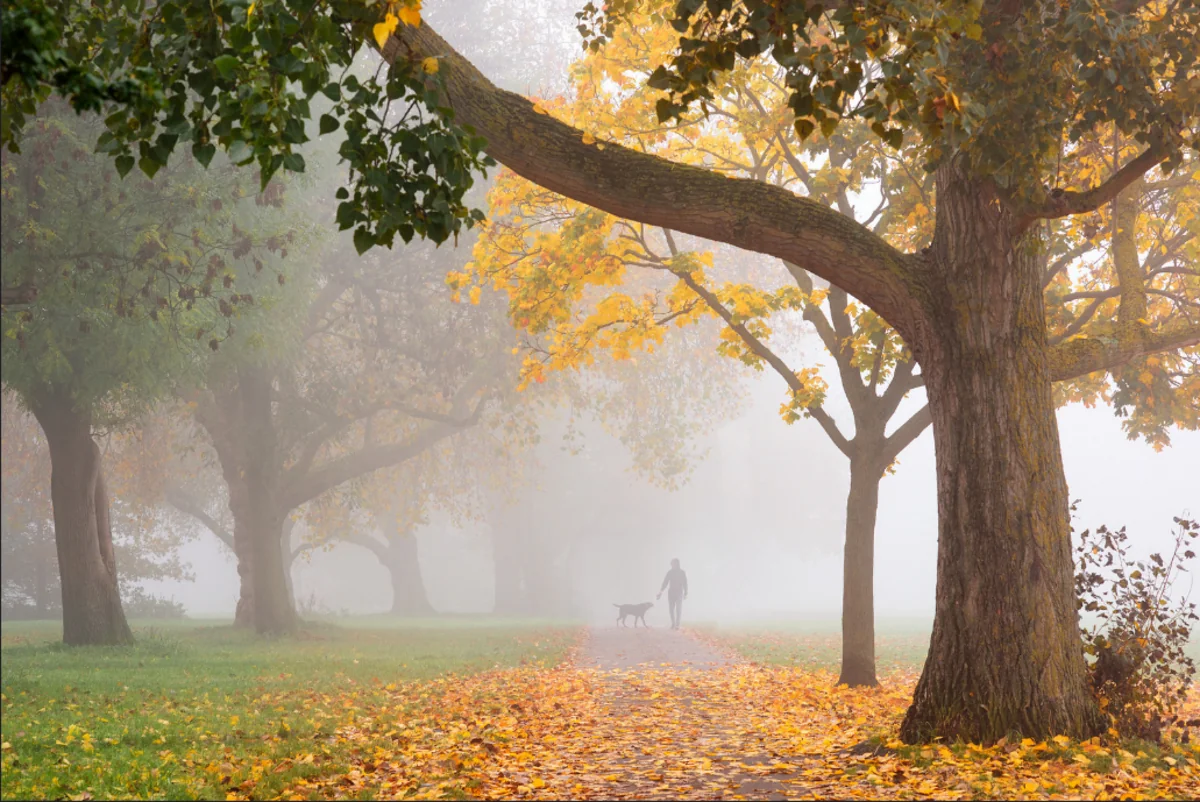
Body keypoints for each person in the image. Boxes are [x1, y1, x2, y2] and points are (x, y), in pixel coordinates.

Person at [656, 558, 688, 630]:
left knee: (678, 609)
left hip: (679, 592)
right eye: (671, 564)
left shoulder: (682, 572)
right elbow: (665, 582)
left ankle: (677, 624)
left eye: (673, 564)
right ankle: (673, 623)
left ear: (677, 564)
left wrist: (686, 593)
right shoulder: (670, 572)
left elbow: (685, 583)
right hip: (671, 593)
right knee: (671, 609)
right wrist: (661, 591)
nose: (672, 565)